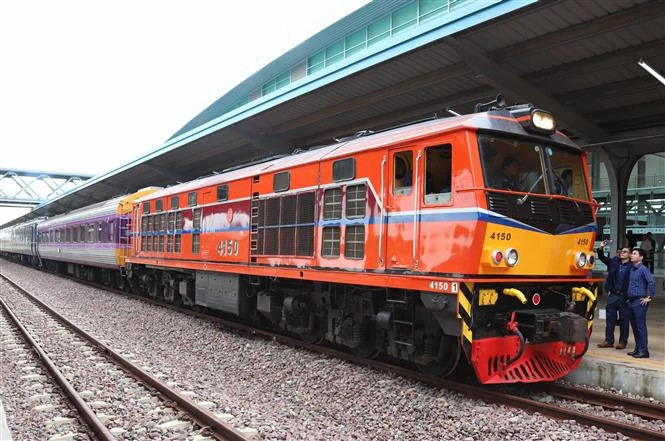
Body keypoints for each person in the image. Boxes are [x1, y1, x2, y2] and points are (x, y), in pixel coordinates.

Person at [596, 240, 631, 350]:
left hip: (624, 297)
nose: (622, 253)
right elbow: (602, 258)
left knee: (624, 320)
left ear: (629, 255)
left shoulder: (632, 266)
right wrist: (600, 247)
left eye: (625, 252)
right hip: (613, 295)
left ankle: (622, 342)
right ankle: (608, 340)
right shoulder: (615, 261)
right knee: (610, 319)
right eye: (621, 251)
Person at [625, 248, 656, 358]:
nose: (631, 255)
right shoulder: (632, 269)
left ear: (641, 257)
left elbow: (651, 282)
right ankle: (638, 349)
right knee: (634, 326)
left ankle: (644, 351)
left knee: (640, 327)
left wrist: (649, 297)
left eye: (634, 253)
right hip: (632, 301)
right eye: (632, 253)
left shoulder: (643, 269)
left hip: (639, 301)